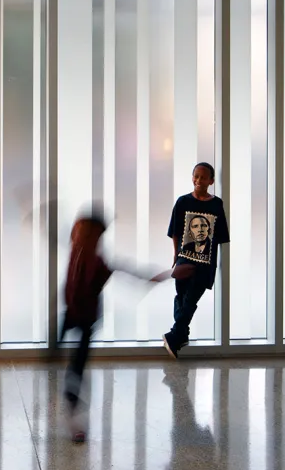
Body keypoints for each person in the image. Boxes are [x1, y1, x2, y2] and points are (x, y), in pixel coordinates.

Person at [60, 207, 177, 442]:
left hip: (85, 318)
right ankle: (68, 399)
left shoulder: (96, 261)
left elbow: (123, 269)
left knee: (76, 368)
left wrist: (152, 278)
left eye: (85, 232)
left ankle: (73, 414)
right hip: (71, 313)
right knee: (58, 356)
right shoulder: (77, 250)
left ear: (96, 238)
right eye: (77, 230)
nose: (77, 234)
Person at [163, 162, 230, 359]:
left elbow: (220, 236)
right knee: (181, 298)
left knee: (191, 300)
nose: (199, 181)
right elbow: (175, 231)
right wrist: (176, 255)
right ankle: (181, 335)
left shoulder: (216, 204)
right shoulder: (182, 202)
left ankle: (175, 336)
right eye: (196, 176)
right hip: (184, 260)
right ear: (192, 178)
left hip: (205, 264)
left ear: (211, 181)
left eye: (203, 177)